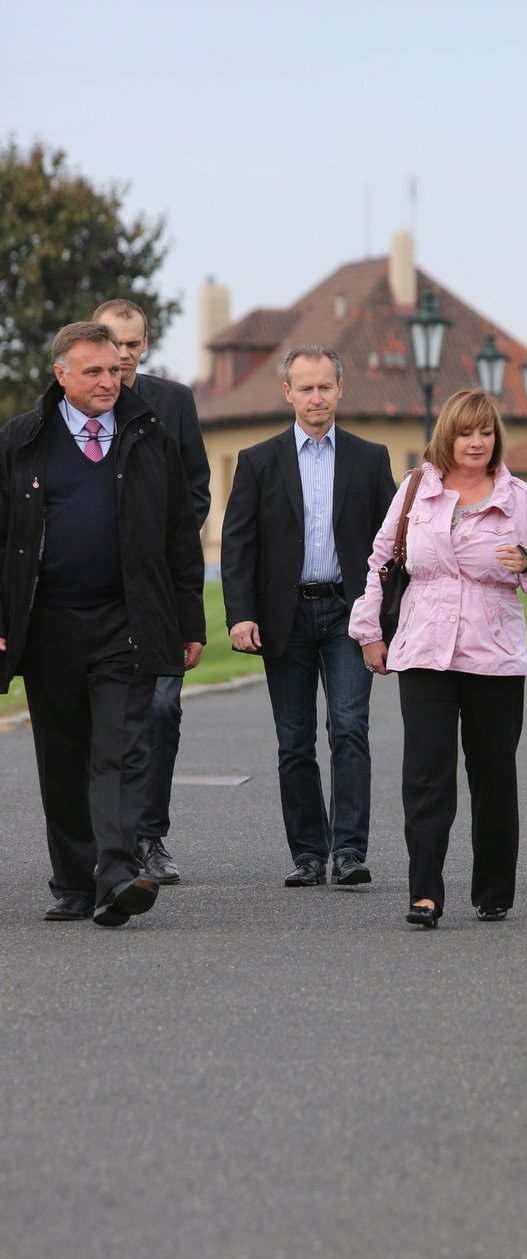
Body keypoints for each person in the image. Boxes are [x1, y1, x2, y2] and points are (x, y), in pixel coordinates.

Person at [0, 322, 206, 926]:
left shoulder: (151, 438)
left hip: (127, 619)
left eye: (114, 370)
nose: (107, 381)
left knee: (120, 750)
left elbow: (179, 538)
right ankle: (72, 882)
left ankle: (116, 874)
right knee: (61, 754)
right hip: (48, 624)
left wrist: (188, 619)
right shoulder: (20, 441)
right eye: (92, 372)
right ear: (61, 375)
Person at [349, 388, 527, 929]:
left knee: (492, 775)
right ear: (448, 435)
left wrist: (526, 563)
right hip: (423, 650)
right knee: (426, 776)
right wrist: (370, 630)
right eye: (466, 433)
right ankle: (425, 893)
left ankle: (493, 890)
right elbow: (381, 560)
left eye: (485, 433)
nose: (476, 442)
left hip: (494, 655)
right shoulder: (417, 488)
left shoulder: (519, 497)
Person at [221, 345, 396, 889]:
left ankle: (348, 851)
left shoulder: (370, 459)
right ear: (287, 392)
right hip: (284, 615)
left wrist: (386, 618)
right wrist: (241, 614)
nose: (316, 397)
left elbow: (393, 547)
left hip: (349, 613)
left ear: (340, 389)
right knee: (294, 739)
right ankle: (307, 854)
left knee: (349, 730)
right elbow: (237, 546)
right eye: (306, 387)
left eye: (325, 386)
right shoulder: (257, 460)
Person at [93, 298, 211, 886]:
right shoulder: (80, 403)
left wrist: (161, 547)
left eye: (133, 343)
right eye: (114, 341)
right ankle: (104, 837)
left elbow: (198, 490)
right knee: (104, 716)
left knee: (161, 710)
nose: (123, 353)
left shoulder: (175, 402)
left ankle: (150, 836)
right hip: (92, 593)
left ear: (145, 344)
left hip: (160, 589)